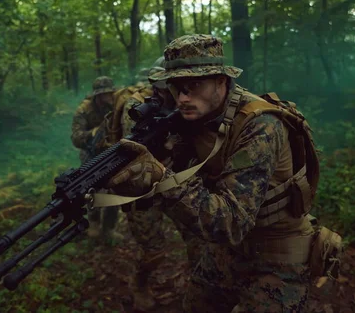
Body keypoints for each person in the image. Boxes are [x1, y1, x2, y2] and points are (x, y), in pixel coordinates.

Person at [104, 34, 321, 312]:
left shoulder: (260, 126)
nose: (182, 98)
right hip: (227, 249)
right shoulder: (197, 114)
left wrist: (161, 176)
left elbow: (231, 223)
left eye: (194, 85)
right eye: (176, 87)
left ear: (222, 81)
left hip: (277, 250)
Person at [97, 58, 204, 311]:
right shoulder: (136, 106)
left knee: (199, 239)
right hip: (142, 189)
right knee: (154, 251)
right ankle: (140, 284)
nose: (174, 91)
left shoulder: (189, 102)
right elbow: (136, 152)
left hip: (176, 182)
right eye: (166, 85)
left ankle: (202, 289)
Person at [70, 76, 123, 243]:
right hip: (91, 156)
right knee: (91, 189)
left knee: (115, 189)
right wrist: (92, 134)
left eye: (110, 93)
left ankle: (109, 228)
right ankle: (93, 223)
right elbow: (76, 138)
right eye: (105, 94)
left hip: (112, 152)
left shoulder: (116, 105)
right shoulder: (84, 110)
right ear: (97, 96)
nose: (108, 97)